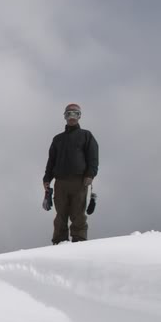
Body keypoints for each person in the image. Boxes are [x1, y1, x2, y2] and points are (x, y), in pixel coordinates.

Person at [42, 103, 99, 243]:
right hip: (60, 182)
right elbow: (51, 161)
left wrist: (90, 175)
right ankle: (59, 241)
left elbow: (93, 157)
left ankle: (79, 241)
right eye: (69, 114)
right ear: (65, 117)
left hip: (80, 181)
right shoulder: (58, 139)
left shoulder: (86, 135)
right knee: (60, 214)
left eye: (75, 114)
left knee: (78, 214)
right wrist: (47, 178)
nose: (72, 117)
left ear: (79, 116)